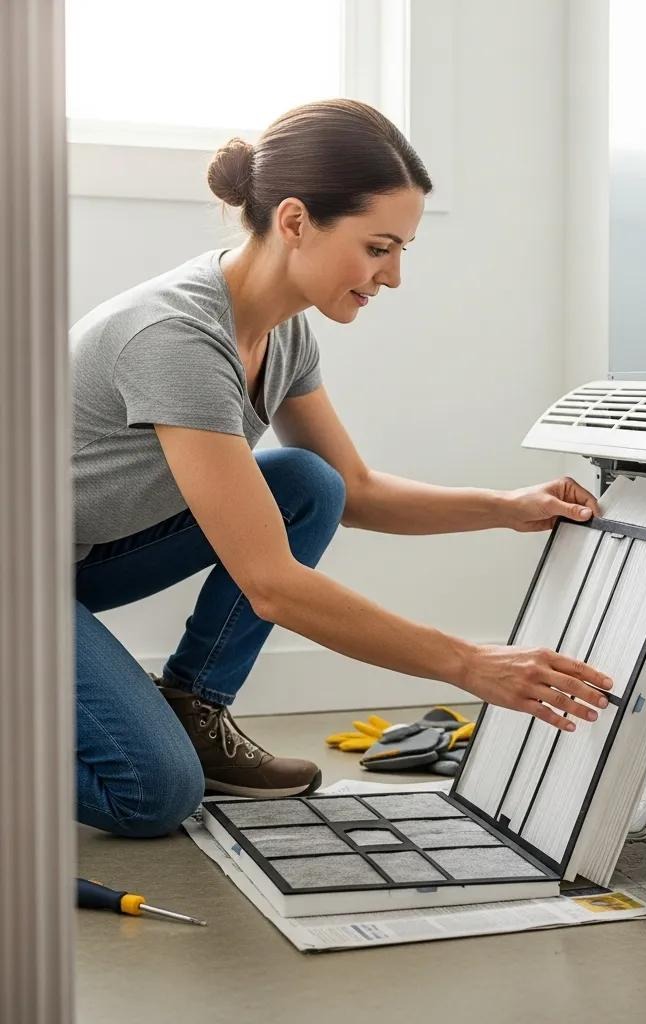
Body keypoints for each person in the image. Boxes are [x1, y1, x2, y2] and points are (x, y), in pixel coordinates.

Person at [72, 99, 612, 839]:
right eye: (379, 246)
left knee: (306, 483)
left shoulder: (283, 333)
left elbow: (352, 490)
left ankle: (191, 710)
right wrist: (468, 664)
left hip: (80, 556)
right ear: (295, 221)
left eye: (403, 250)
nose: (392, 276)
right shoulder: (177, 338)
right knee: (153, 794)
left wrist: (507, 505)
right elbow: (269, 585)